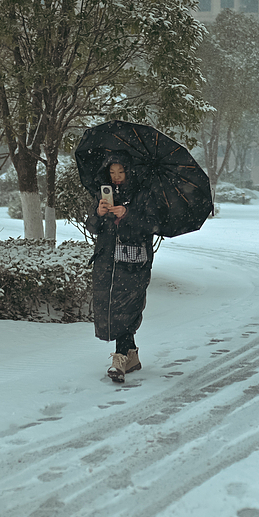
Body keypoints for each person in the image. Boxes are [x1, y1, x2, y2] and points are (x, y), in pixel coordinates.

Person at [89, 154, 158, 383]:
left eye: (121, 172)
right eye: (112, 172)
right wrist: (98, 214)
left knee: (127, 306)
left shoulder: (143, 194)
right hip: (107, 261)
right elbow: (92, 227)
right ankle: (132, 356)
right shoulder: (104, 194)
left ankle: (119, 359)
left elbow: (152, 224)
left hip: (133, 262)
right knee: (111, 306)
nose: (116, 177)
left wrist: (127, 215)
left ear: (129, 172)